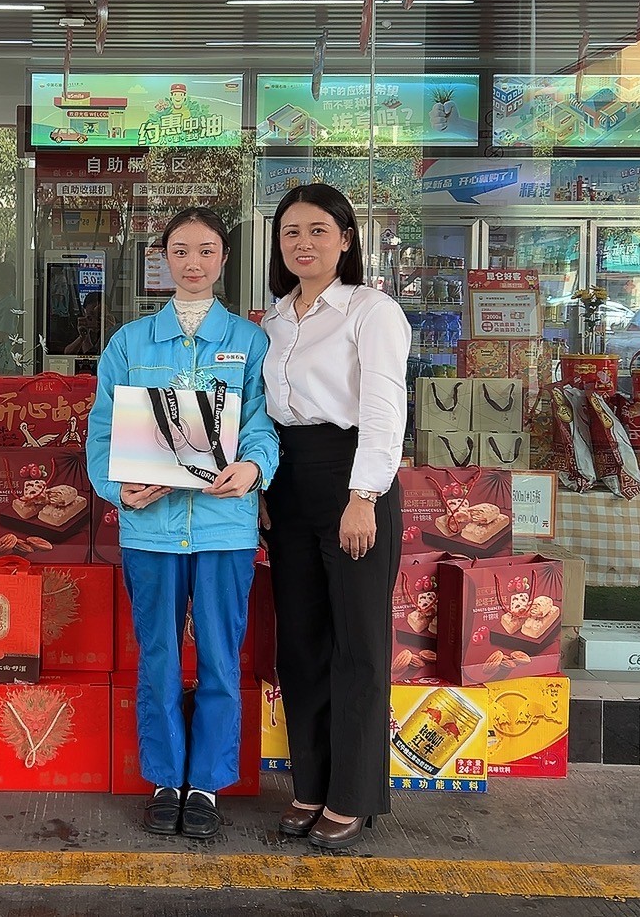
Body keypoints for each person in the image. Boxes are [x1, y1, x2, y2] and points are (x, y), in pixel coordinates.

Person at [87, 207, 279, 840]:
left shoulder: (250, 342)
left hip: (225, 527)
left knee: (222, 657)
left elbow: (262, 424)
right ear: (163, 258)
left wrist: (254, 466)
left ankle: (207, 785)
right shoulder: (129, 343)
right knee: (160, 657)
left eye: (206, 250)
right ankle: (166, 779)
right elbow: (102, 431)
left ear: (224, 258)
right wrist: (117, 487)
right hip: (151, 528)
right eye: (180, 250)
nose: (193, 262)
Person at [260, 183, 411, 852]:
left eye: (319, 230)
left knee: (358, 646)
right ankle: (310, 785)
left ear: (346, 239)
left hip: (352, 481)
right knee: (299, 644)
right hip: (288, 483)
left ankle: (352, 796)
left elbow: (384, 406)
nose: (304, 243)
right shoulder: (273, 321)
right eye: (291, 231)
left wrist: (364, 495)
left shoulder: (371, 311)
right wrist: (263, 485)